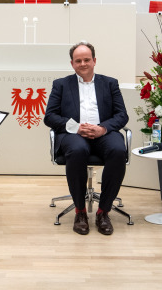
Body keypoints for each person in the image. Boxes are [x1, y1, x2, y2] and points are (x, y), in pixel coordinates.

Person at [44, 42, 129, 236]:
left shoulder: (110, 83)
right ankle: (80, 212)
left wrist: (102, 129)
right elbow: (49, 117)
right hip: (74, 135)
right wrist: (76, 127)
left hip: (103, 133)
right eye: (78, 60)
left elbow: (122, 115)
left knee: (117, 150)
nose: (83, 64)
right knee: (78, 150)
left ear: (94, 61)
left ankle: (103, 211)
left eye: (87, 59)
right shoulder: (61, 84)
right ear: (72, 64)